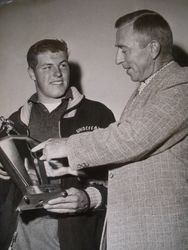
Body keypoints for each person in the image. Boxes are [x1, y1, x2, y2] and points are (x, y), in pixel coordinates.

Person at [33, 10, 188, 250]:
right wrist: (82, 180)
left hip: (159, 234)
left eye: (123, 49)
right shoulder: (147, 89)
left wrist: (66, 145)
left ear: (153, 48)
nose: (118, 58)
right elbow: (127, 165)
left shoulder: (181, 83)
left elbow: (131, 138)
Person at [0, 39, 115, 250]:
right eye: (47, 67)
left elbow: (119, 179)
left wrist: (91, 198)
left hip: (75, 237)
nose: (58, 73)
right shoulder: (13, 123)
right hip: (21, 238)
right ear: (32, 73)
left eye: (63, 65)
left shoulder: (98, 114)